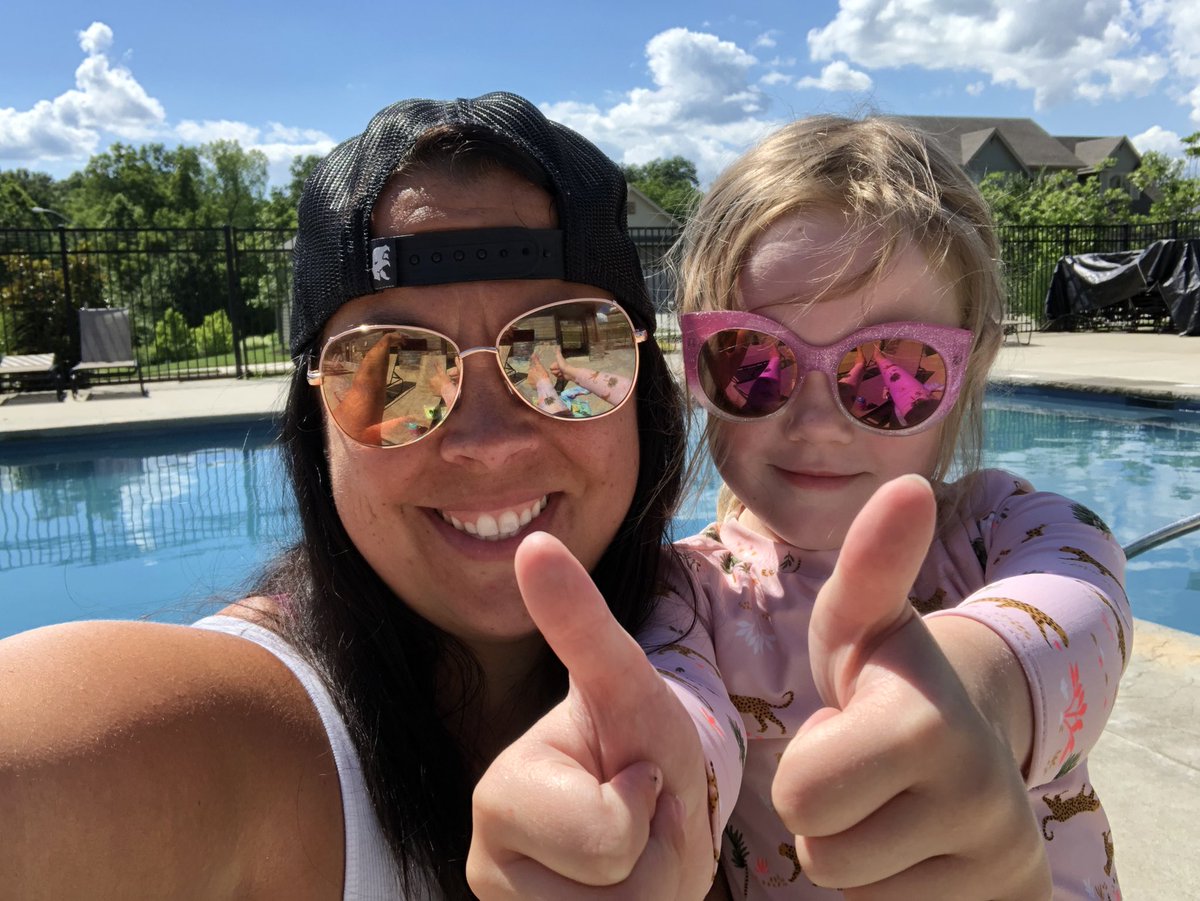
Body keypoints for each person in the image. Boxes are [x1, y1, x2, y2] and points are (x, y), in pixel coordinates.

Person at [0, 92, 720, 900]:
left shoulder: (740, 642)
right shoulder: (217, 735)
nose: (487, 441)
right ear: (316, 423)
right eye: (389, 369)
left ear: (646, 398)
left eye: (564, 348)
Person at [470, 116, 1130, 901]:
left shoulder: (1019, 535)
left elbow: (1073, 622)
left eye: (892, 369)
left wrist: (968, 691)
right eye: (752, 359)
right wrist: (630, 794)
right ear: (696, 363)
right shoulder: (690, 595)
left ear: (970, 366)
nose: (816, 421)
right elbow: (681, 716)